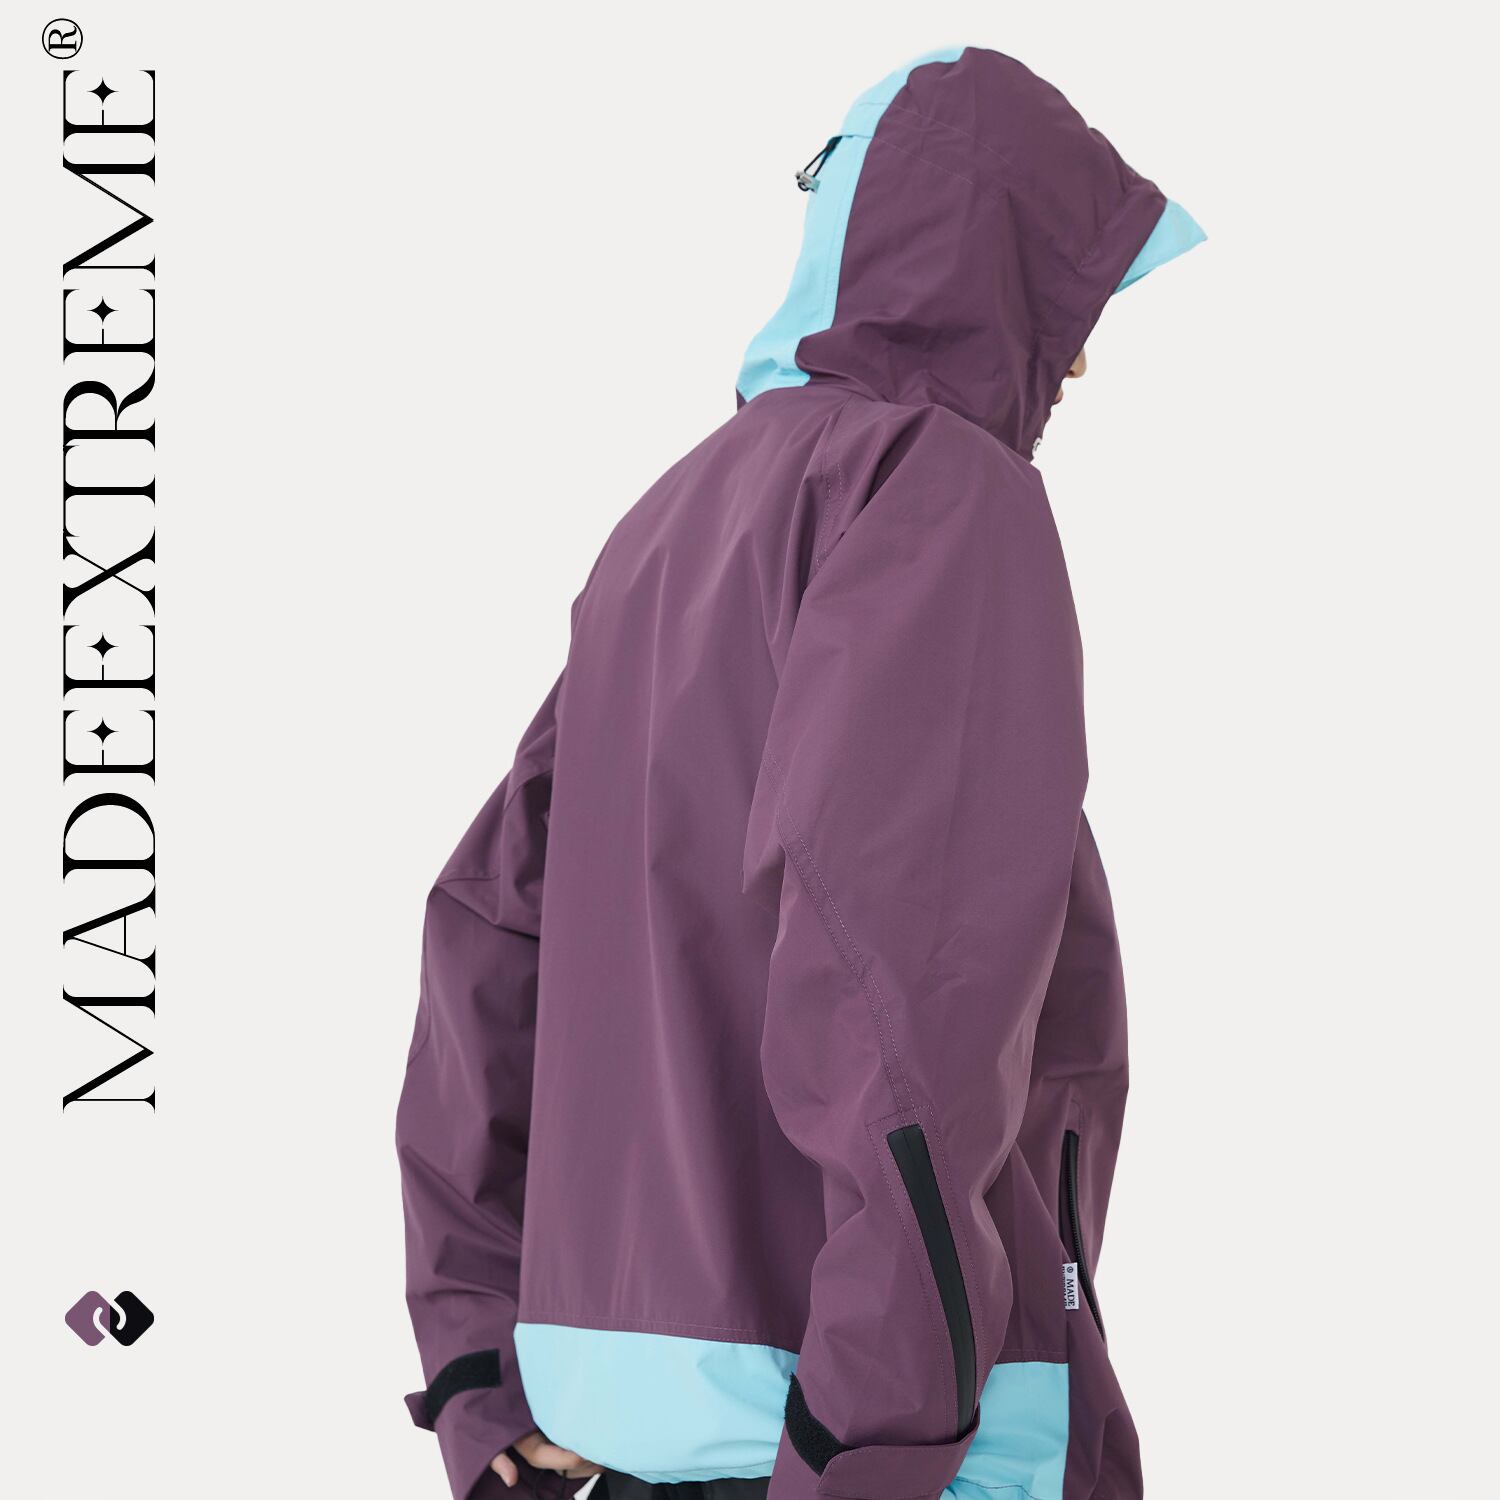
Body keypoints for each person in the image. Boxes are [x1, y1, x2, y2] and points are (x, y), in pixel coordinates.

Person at [397, 45, 1203, 1500]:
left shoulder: (669, 522)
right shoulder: (939, 488)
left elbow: (490, 933)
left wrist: (477, 1368)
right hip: (880, 1451)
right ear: (986, 267)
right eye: (1063, 295)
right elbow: (900, 984)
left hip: (640, 1434)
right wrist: (870, 1444)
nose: (1078, 361)